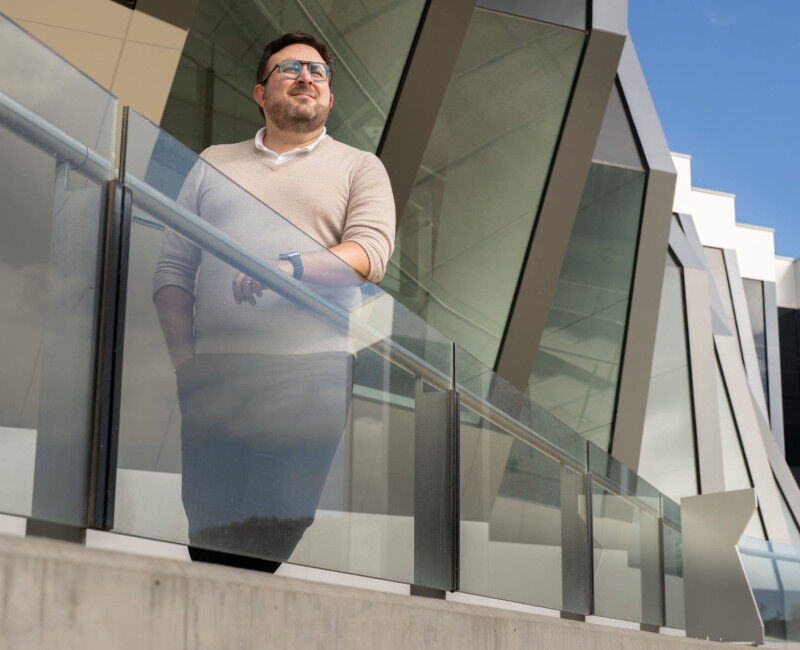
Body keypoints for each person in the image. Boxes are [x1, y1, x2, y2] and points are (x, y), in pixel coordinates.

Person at [152, 32, 395, 572]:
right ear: (261, 93)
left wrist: (290, 268)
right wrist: (185, 363)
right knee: (208, 532)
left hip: (309, 375)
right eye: (289, 68)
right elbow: (172, 272)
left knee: (273, 524)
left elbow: (370, 254)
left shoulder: (360, 167)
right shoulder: (214, 160)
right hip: (214, 375)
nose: (307, 77)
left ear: (329, 98)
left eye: (318, 72)